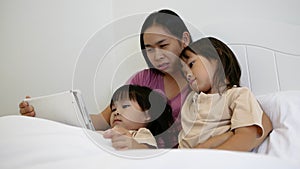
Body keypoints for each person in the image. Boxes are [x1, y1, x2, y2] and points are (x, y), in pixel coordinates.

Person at [19, 9, 272, 149]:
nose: (155, 55)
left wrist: (218, 149)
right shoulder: (142, 80)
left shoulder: (204, 88)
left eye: (162, 45)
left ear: (184, 39)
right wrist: (45, 113)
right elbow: (103, 119)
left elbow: (257, 126)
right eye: (148, 49)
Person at [178, 37, 270, 151]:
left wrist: (207, 156)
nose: (188, 75)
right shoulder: (190, 101)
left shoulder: (237, 95)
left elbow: (246, 137)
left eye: (191, 64)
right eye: (184, 73)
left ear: (217, 57)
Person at [101, 84, 174, 150]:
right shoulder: (106, 131)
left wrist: (132, 144)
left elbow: (148, 151)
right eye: (113, 109)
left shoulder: (142, 133)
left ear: (147, 115)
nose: (116, 112)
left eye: (125, 106)